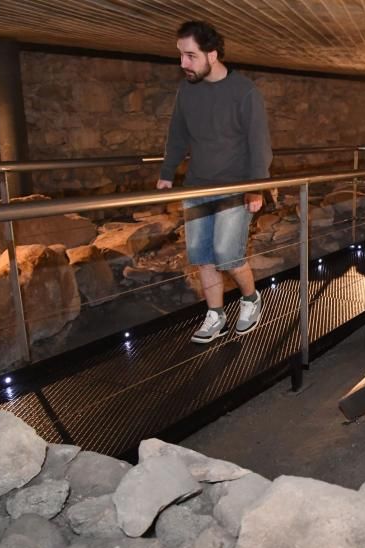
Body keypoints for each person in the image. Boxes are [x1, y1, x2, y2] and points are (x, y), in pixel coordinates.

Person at [157, 20, 272, 344]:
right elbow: (177, 134)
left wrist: (255, 186)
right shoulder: (186, 91)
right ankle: (215, 315)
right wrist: (167, 172)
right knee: (201, 255)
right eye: (181, 55)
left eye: (190, 56)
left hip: (234, 187)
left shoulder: (245, 92)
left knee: (228, 255)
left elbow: (259, 142)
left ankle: (251, 299)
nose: (183, 64)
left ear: (212, 53)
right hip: (197, 186)